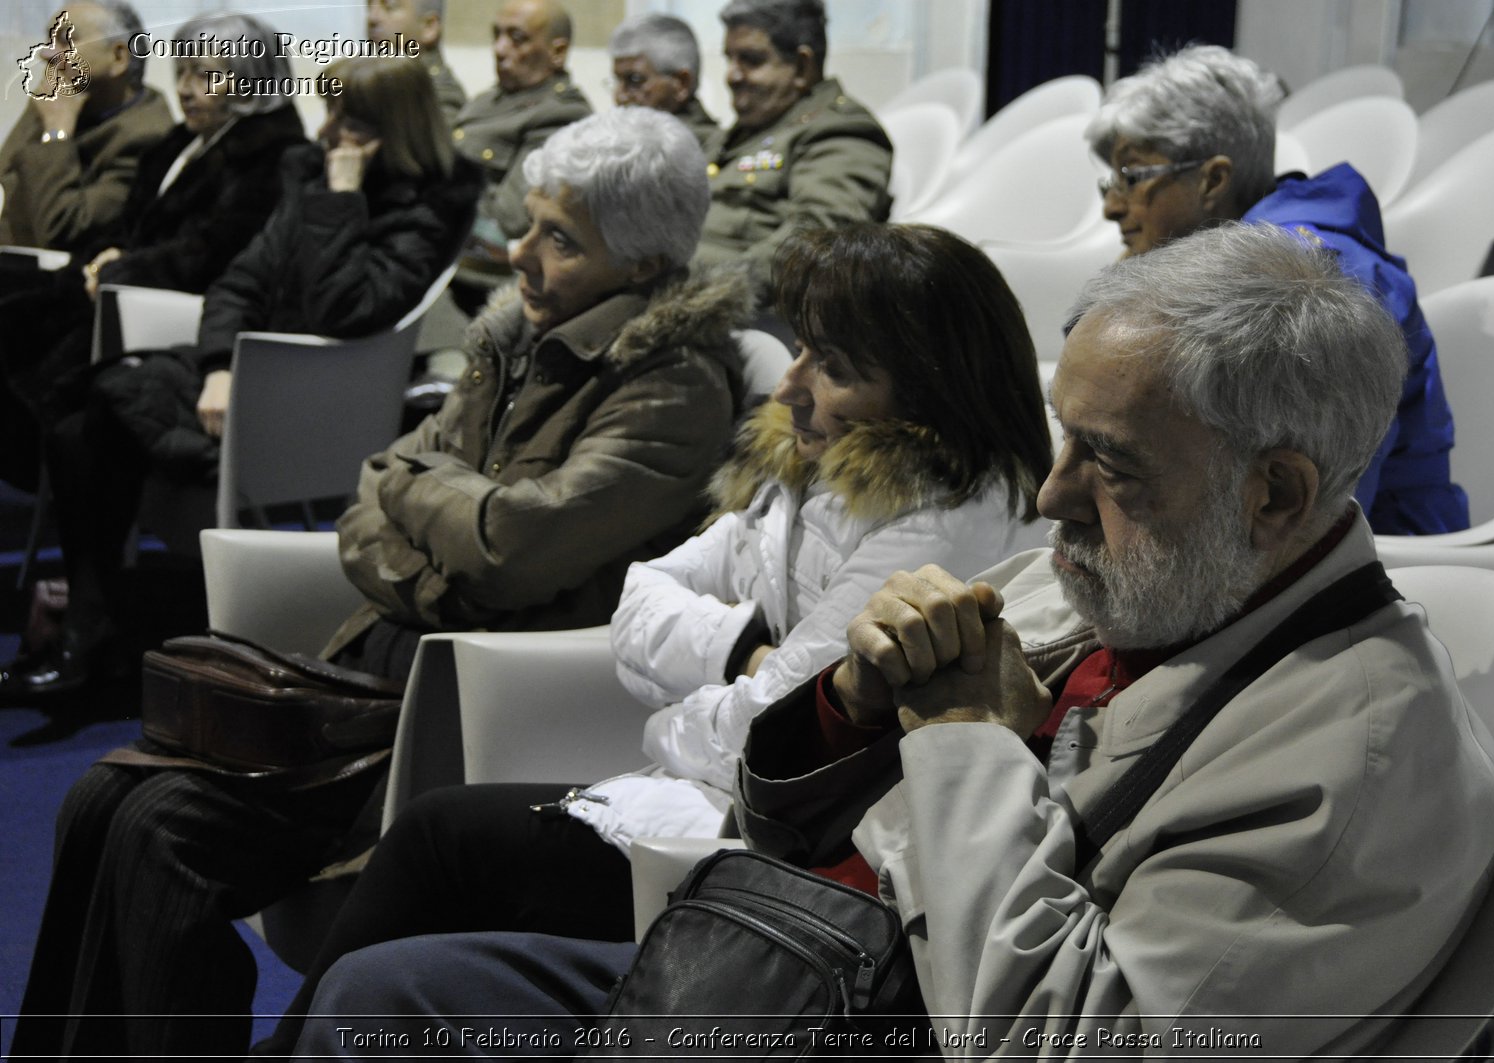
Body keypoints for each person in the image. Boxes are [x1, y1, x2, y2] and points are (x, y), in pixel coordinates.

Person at [286, 224, 1494, 1060]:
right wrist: (851, 711)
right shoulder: (1109, 579)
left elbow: (1062, 1045)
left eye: (1111, 463)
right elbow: (775, 819)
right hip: (790, 961)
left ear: (1277, 495)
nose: (1051, 497)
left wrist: (962, 740)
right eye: (1062, 440)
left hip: (879, 1013)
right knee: (387, 993)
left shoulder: (1360, 758)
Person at [12, 104, 749, 1061]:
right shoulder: (516, 338)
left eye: (558, 238)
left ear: (645, 264)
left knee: (162, 829)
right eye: (525, 222)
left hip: (453, 703)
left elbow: (509, 544)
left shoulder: (670, 383)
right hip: (361, 680)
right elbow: (376, 487)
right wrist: (438, 530)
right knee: (101, 798)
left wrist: (428, 514)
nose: (518, 253)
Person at [273, 220, 1053, 1058]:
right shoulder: (811, 468)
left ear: (930, 390)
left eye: (831, 366)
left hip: (782, 858)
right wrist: (738, 649)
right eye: (801, 351)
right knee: (439, 842)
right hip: (703, 804)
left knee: (443, 845)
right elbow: (643, 592)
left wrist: (682, 713)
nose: (787, 386)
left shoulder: (942, 521)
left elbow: (766, 736)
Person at [0, 54, 482, 701]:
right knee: (76, 426)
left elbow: (347, 309)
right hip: (248, 377)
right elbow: (240, 282)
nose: (325, 129)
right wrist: (220, 366)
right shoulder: (312, 172)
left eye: (345, 116)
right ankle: (94, 628)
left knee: (92, 422)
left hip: (306, 398)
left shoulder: (425, 202)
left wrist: (340, 200)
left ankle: (92, 632)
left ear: (389, 127)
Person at [1086, 43, 1468, 535]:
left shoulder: (1313, 281)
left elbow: (1322, 501)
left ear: (1212, 180)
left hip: (1377, 548)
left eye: (1133, 177)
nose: (1112, 207)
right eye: (1110, 181)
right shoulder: (1232, 262)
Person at [0, 10, 307, 497]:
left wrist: (121, 266)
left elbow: (215, 251)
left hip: (171, 318)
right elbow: (129, 228)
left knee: (61, 413)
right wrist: (109, 255)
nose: (185, 88)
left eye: (206, 75)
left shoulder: (274, 157)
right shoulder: (183, 143)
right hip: (120, 295)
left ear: (249, 82)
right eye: (182, 71)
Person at [696, 0, 893, 298]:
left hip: (728, 311)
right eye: (730, 59)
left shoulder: (839, 131)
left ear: (802, 66)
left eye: (750, 59)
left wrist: (699, 295)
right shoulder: (749, 129)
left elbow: (817, 241)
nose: (732, 76)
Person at [0, 1, 170, 253]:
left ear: (118, 57)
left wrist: (57, 134)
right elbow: (5, 183)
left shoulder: (147, 137)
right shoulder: (62, 100)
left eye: (66, 39)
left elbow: (61, 231)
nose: (46, 53)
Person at [452, 0, 591, 303]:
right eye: (496, 35)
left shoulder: (561, 116)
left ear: (557, 52)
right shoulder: (486, 101)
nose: (500, 49)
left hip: (480, 281)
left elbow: (509, 219)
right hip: (444, 256)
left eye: (517, 38)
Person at [608, 12, 720, 149]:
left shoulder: (698, 149)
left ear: (681, 84)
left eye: (635, 80)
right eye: (617, 81)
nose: (620, 96)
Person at [366, 0, 467, 123]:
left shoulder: (435, 98)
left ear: (429, 26)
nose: (372, 18)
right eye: (369, 7)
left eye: (389, 8)